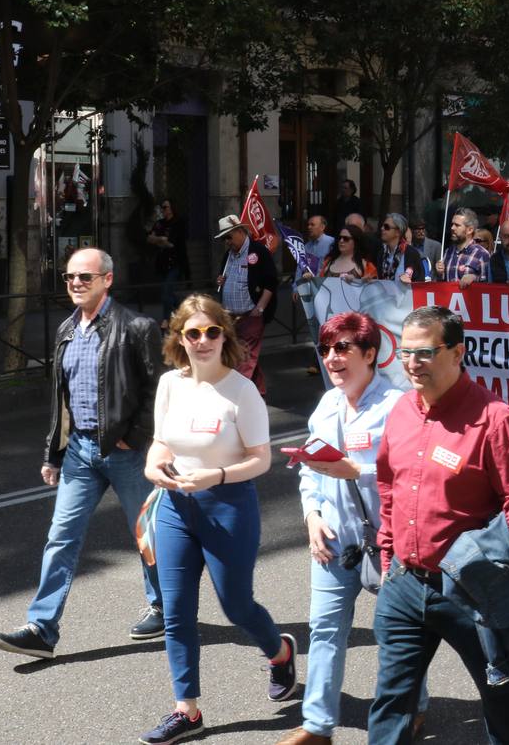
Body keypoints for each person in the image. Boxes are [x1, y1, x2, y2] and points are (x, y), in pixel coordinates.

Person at [370, 306, 509, 744]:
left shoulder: (494, 419)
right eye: (405, 353)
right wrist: (389, 556)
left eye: (425, 353)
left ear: (457, 352)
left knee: (497, 687)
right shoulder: (401, 412)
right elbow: (388, 487)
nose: (412, 363)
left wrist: (496, 573)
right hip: (404, 583)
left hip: (468, 589)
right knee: (392, 698)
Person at [0, 249, 165, 661]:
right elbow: (61, 400)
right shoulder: (67, 328)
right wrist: (53, 452)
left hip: (127, 453)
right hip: (80, 453)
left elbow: (158, 389)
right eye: (69, 278)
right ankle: (42, 629)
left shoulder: (135, 328)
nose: (75, 284)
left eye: (85, 277)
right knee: (60, 538)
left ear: (108, 279)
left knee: (148, 536)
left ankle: (163, 607)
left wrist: (135, 436)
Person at [139, 295, 296, 745]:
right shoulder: (171, 384)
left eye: (212, 332)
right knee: (177, 611)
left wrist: (218, 475)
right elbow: (160, 445)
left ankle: (280, 651)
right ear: (180, 339)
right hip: (175, 507)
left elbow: (261, 459)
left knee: (236, 605)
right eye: (193, 332)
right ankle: (186, 710)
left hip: (228, 505)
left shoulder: (241, 390)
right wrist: (154, 468)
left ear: (224, 336)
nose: (203, 340)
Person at [277, 312, 426, 745]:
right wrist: (311, 517)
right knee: (323, 629)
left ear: (370, 354)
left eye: (343, 348)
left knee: (399, 634)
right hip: (334, 540)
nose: (332, 358)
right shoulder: (326, 405)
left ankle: (413, 708)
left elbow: (412, 470)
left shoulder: (398, 405)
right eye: (326, 349)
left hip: (388, 542)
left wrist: (354, 470)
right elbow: (309, 469)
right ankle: (318, 726)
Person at [214, 214, 278, 397]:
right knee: (245, 354)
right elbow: (223, 277)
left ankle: (237, 395)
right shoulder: (229, 255)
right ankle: (259, 389)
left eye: (229, 236)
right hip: (231, 316)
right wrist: (221, 280)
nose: (227, 242)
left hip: (251, 314)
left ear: (240, 231)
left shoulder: (258, 251)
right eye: (224, 238)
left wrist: (260, 308)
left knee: (244, 357)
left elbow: (271, 282)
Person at [148, 198, 190, 326]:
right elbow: (150, 238)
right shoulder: (160, 223)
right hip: (162, 263)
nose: (163, 209)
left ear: (172, 208)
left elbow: (170, 242)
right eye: (162, 207)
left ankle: (167, 320)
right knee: (168, 293)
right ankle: (184, 313)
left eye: (165, 207)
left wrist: (159, 239)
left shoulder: (178, 222)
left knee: (166, 293)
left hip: (175, 262)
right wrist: (160, 240)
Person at [437, 208, 491, 289]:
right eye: (452, 224)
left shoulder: (482, 254)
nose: (452, 228)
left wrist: (474, 278)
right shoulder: (448, 252)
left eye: (457, 225)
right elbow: (442, 286)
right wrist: (439, 273)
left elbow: (489, 286)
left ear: (470, 230)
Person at [376, 213, 429, 284]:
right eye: (382, 226)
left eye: (386, 227)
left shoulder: (411, 254)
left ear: (398, 232)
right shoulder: (381, 253)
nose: (382, 228)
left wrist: (410, 283)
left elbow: (420, 282)